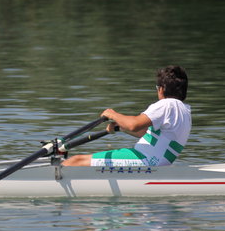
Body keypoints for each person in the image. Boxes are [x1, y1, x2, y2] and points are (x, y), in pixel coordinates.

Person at [63, 65, 191, 167]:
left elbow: (133, 125)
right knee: (79, 161)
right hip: (155, 161)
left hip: (145, 160)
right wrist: (120, 127)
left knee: (75, 161)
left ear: (161, 89)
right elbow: (146, 134)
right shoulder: (184, 110)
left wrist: (112, 114)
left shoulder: (167, 104)